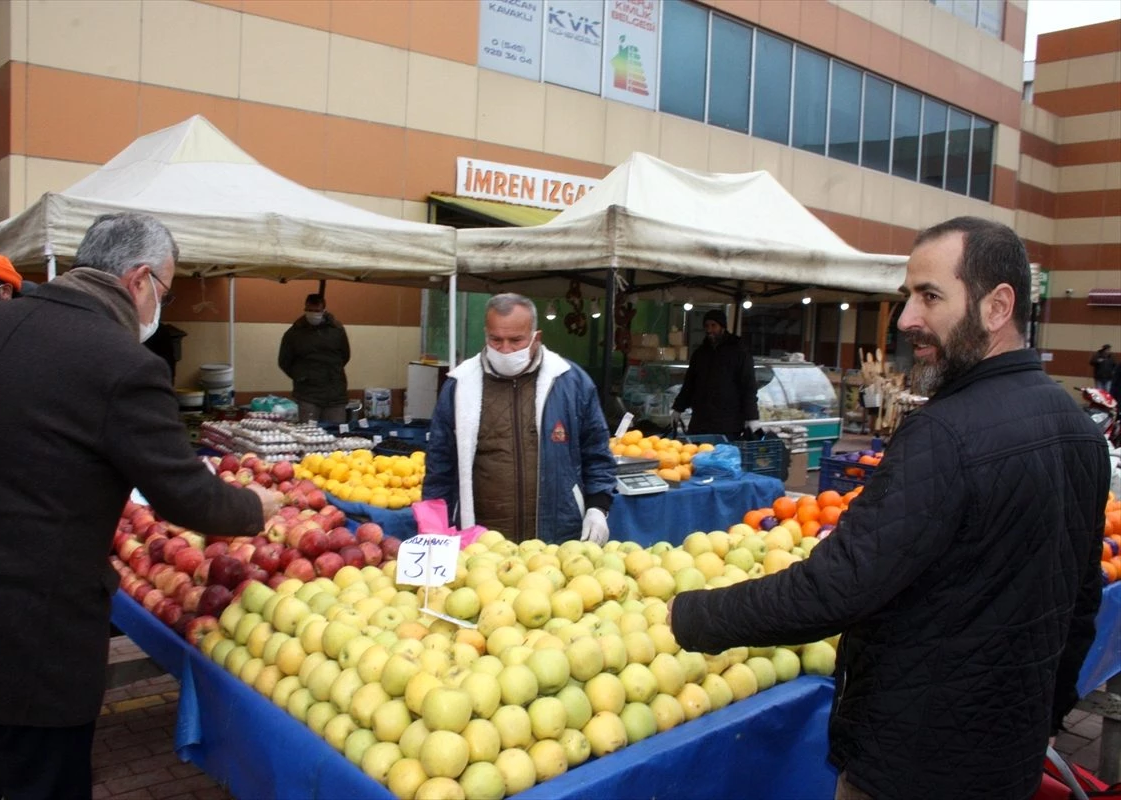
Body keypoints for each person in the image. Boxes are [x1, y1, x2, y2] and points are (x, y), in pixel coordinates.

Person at [667, 217, 1109, 800]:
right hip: (1007, 758)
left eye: (930, 296)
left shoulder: (945, 434)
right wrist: (1043, 720)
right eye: (908, 298)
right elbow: (1082, 603)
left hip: (913, 764)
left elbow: (836, 587)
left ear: (998, 305)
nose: (906, 320)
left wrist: (692, 616)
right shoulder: (1077, 429)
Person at [0, 212, 280, 799]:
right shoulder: (123, 364)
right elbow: (184, 495)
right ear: (139, 280)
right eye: (163, 290)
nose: (157, 306)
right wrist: (255, 507)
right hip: (35, 646)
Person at [423, 293, 615, 544]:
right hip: (482, 544)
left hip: (559, 539)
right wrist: (435, 528)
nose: (505, 349)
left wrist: (598, 508)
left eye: (515, 340)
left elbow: (596, 453)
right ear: (486, 334)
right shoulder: (460, 386)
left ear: (536, 337)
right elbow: (440, 465)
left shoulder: (571, 382)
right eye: (495, 340)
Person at [670, 308, 759, 437]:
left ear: (722, 327)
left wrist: (752, 417)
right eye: (706, 326)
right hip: (700, 420)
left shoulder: (739, 351)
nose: (709, 330)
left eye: (713, 325)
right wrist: (678, 408)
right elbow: (689, 384)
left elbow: (748, 386)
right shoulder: (700, 353)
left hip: (728, 422)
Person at [278, 293, 351, 423]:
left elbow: (345, 355)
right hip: (307, 394)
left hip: (335, 394)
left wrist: (332, 371)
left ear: (324, 310)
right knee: (308, 435)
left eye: (316, 311)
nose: (313, 314)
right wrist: (301, 376)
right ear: (305, 309)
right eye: (309, 310)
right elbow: (284, 361)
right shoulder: (294, 333)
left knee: (335, 434)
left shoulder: (337, 329)